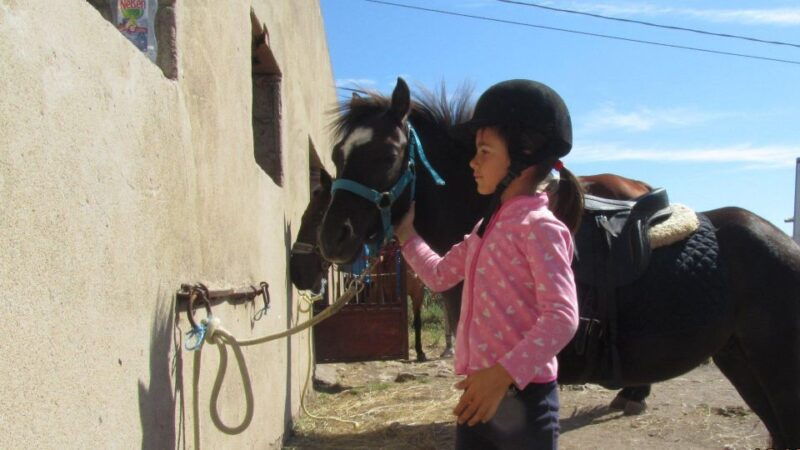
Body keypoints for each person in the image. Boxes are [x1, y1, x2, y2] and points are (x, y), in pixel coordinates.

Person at [395, 79, 583, 449]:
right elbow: (438, 275)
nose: (472, 162)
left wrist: (501, 376)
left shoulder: (540, 227)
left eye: (484, 151)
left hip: (523, 401)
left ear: (523, 155)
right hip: (478, 396)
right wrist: (406, 236)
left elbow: (562, 317)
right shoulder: (488, 228)